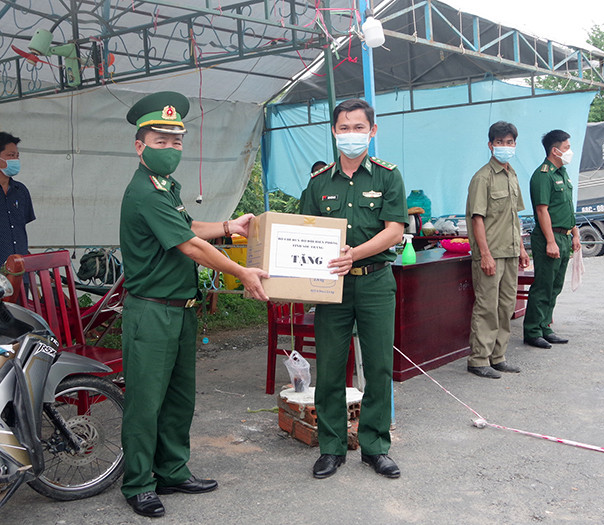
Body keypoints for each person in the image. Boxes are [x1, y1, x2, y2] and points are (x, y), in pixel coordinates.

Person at [119, 91, 269, 518]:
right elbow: (189, 245)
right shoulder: (144, 192)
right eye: (160, 142)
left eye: (176, 142)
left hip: (180, 309)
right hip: (151, 312)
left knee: (179, 399)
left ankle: (171, 470)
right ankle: (139, 483)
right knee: (146, 402)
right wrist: (241, 272)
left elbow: (188, 225)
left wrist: (227, 225)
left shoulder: (166, 187)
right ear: (140, 145)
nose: (170, 149)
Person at [300, 98, 407, 480]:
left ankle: (375, 446)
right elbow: (301, 233)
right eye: (344, 128)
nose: (351, 135)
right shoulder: (318, 182)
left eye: (358, 128)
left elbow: (394, 229)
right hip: (332, 286)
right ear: (334, 132)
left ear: (372, 131)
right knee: (329, 367)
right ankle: (331, 447)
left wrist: (354, 254)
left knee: (378, 365)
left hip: (376, 280)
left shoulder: (387, 176)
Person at [465, 121, 530, 379]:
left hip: (511, 251)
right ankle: (479, 358)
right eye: (500, 142)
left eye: (510, 142)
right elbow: (476, 218)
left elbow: (515, 217)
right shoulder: (482, 178)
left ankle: (498, 356)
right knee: (487, 307)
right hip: (491, 253)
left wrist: (522, 249)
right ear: (491, 145)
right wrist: (485, 254)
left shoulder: (512, 174)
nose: (506, 147)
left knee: (505, 307)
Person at [522, 129, 581, 349]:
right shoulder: (542, 175)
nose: (569, 151)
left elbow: (567, 207)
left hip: (564, 236)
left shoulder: (561, 172)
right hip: (550, 236)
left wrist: (575, 234)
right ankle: (533, 331)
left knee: (555, 286)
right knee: (543, 286)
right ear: (554, 150)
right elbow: (542, 210)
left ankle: (545, 326)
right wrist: (550, 241)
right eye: (566, 148)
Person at [0, 132, 35, 265]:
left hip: (20, 271)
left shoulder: (21, 191)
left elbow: (20, 229)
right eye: (10, 155)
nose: (15, 160)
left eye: (17, 156)